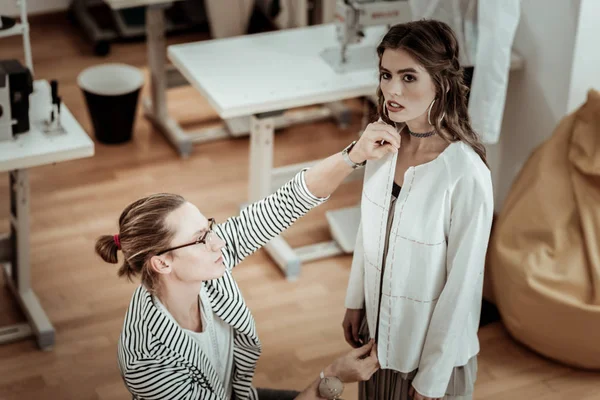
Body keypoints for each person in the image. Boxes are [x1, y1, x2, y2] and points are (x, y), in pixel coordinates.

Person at [95, 124, 402, 400]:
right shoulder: (147, 360)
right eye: (201, 239)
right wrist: (332, 377)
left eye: (209, 227)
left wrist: (354, 155)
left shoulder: (206, 265)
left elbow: (286, 202)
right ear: (162, 264)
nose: (217, 242)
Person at [342, 20, 494, 400]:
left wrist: (432, 378)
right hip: (378, 348)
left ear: (440, 83)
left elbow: (463, 285)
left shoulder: (465, 173)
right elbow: (369, 230)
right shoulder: (381, 145)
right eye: (386, 74)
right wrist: (354, 300)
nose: (392, 89)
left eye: (409, 77)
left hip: (430, 364)